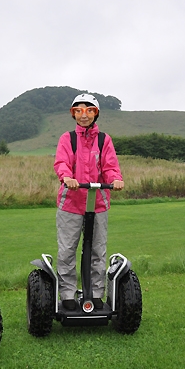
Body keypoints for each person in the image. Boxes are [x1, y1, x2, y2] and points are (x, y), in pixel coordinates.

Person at [53, 93, 124, 311]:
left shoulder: (104, 140)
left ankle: (95, 293)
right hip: (71, 203)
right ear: (73, 114)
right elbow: (61, 162)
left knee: (97, 251)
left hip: (98, 203)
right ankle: (67, 294)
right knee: (67, 250)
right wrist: (67, 177)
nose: (84, 115)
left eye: (89, 110)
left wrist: (115, 179)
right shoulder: (68, 139)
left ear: (96, 113)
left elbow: (110, 165)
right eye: (79, 111)